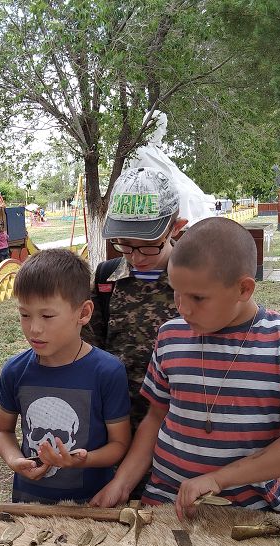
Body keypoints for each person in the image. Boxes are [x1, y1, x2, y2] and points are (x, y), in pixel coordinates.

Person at [92, 217, 280, 518]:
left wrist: (219, 479)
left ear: (244, 289)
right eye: (176, 292)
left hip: (247, 514)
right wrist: (123, 483)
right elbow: (155, 419)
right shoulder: (170, 335)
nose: (183, 308)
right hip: (163, 507)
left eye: (198, 297)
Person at [0, 249, 132, 503]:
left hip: (91, 506)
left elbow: (119, 444)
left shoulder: (107, 372)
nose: (34, 328)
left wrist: (83, 460)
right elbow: (3, 431)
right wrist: (14, 459)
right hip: (28, 506)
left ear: (83, 313)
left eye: (47, 316)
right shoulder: (14, 371)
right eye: (25, 315)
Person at [83, 166, 188, 435]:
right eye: (125, 245)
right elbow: (91, 349)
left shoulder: (195, 281)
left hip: (178, 428)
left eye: (149, 245)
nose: (136, 257)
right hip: (118, 425)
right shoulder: (106, 278)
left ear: (176, 228)